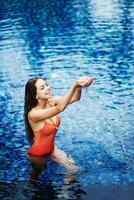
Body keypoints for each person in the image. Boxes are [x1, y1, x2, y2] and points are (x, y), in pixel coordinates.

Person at [24, 76, 93, 181]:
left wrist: (79, 86)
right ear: (35, 95)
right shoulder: (33, 114)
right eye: (42, 88)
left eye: (46, 84)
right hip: (37, 155)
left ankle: (63, 194)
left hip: (52, 150)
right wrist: (74, 85)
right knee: (36, 176)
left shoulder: (51, 101)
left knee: (74, 170)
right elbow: (60, 108)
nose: (47, 88)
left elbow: (75, 98)